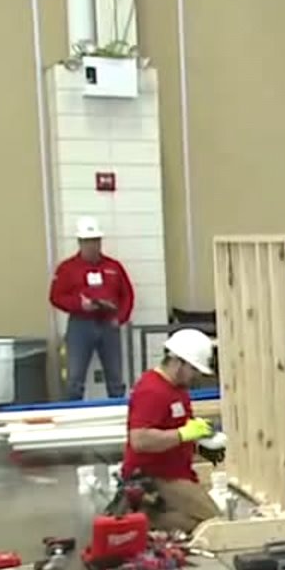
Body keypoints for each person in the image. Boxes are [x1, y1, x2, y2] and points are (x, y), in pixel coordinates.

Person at [123, 329, 221, 533]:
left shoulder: (178, 390)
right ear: (177, 362)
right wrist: (182, 434)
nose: (195, 376)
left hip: (177, 474)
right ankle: (141, 518)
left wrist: (201, 437)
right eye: (193, 369)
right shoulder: (152, 391)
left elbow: (179, 427)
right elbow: (139, 439)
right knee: (214, 524)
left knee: (199, 525)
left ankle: (147, 518)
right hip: (156, 477)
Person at [50, 217, 135, 400]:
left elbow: (127, 295)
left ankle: (118, 410)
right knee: (74, 378)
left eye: (95, 241)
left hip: (108, 324)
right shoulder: (67, 268)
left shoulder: (113, 266)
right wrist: (78, 305)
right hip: (80, 324)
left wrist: (120, 318)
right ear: (80, 242)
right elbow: (56, 297)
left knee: (115, 377)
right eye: (88, 241)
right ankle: (73, 412)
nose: (92, 246)